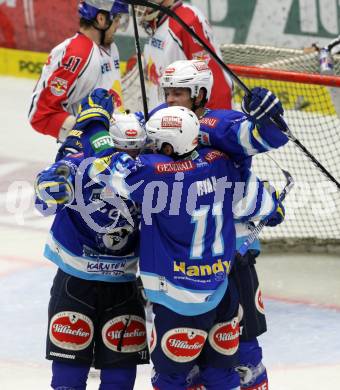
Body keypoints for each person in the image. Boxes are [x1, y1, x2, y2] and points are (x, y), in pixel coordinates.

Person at [64, 88, 285, 389]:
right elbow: (255, 200)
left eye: (154, 142)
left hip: (177, 301)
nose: (148, 147)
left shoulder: (153, 174)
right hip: (221, 295)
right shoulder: (220, 163)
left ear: (167, 147)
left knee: (171, 378)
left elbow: (105, 163)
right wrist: (272, 205)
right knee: (222, 374)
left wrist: (94, 124)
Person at [156, 59, 289, 390]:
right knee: (186, 362)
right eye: (167, 92)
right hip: (181, 259)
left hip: (232, 252)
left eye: (179, 93)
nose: (171, 99)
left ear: (200, 94)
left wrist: (268, 114)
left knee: (243, 356)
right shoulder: (161, 120)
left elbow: (271, 136)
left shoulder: (220, 125)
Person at [34, 100, 149, 390]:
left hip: (122, 285)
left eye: (138, 149)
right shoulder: (80, 166)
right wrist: (49, 185)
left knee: (120, 380)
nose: (132, 155)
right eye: (125, 148)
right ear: (112, 144)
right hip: (76, 283)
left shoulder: (153, 172)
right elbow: (44, 198)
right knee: (67, 381)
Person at [28, 0, 129, 141]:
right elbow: (40, 115)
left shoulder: (111, 48)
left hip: (115, 148)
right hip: (89, 156)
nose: (118, 26)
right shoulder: (78, 54)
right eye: (117, 19)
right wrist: (89, 136)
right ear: (101, 19)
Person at [129, 0, 233, 111]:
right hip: (165, 119)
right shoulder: (160, 22)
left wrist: (212, 123)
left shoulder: (186, 20)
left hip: (191, 122)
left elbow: (214, 82)